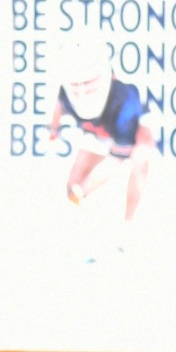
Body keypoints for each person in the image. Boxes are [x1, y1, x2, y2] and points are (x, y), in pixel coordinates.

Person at [46, 36, 156, 259]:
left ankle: (128, 228)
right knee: (72, 186)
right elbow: (59, 106)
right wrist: (53, 131)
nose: (82, 92)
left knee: (140, 158)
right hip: (102, 132)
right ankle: (84, 234)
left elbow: (116, 160)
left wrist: (83, 191)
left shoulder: (124, 103)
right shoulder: (67, 93)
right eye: (76, 85)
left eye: (89, 83)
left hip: (132, 133)